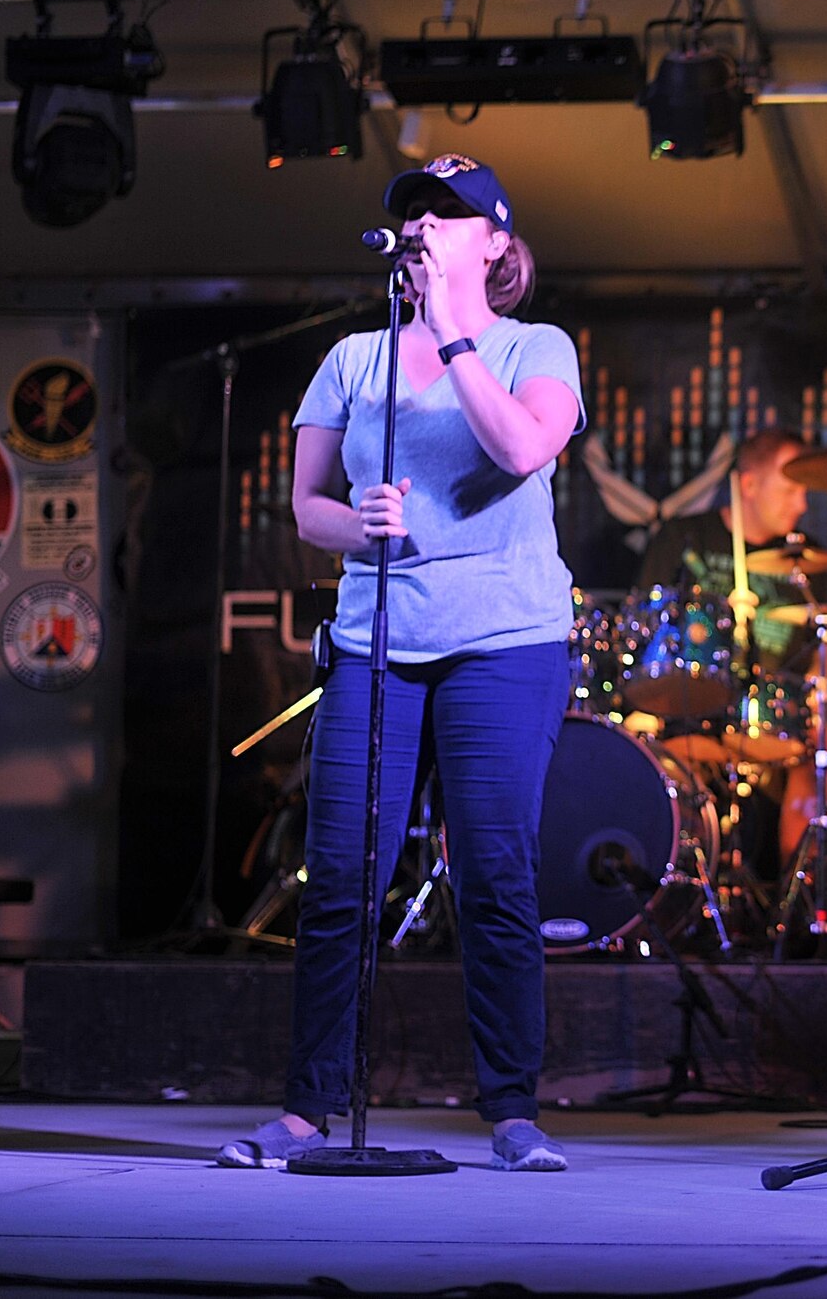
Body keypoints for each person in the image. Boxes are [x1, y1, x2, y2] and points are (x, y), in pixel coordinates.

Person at [218, 154, 582, 1173]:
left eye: (449, 213)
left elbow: (518, 448)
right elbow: (307, 507)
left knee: (494, 876)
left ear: (498, 243)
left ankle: (511, 1109)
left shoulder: (533, 347)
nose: (423, 223)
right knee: (339, 878)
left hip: (504, 643)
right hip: (378, 640)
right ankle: (304, 1109)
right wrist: (357, 526)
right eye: (413, 210)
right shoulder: (353, 359)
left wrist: (454, 334)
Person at [636, 427, 816, 865]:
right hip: (683, 720)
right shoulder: (683, 539)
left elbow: (816, 668)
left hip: (769, 728)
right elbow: (644, 635)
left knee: (820, 756)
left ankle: (798, 895)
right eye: (790, 489)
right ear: (748, 485)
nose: (802, 504)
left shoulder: (810, 563)